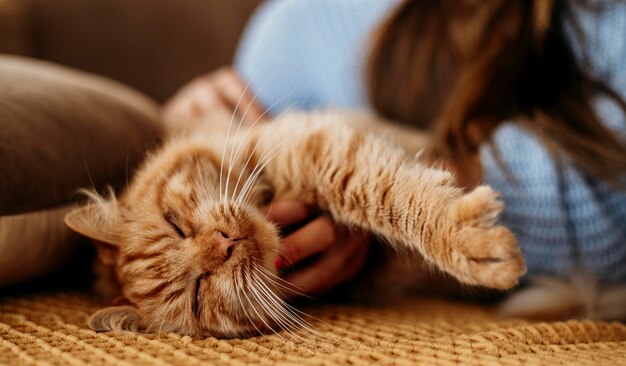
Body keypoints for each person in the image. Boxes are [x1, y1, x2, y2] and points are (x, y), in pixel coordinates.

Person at [163, 0, 626, 299]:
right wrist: (184, 125)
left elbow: (611, 200)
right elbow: (233, 150)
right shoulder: (287, 32)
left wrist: (371, 199)